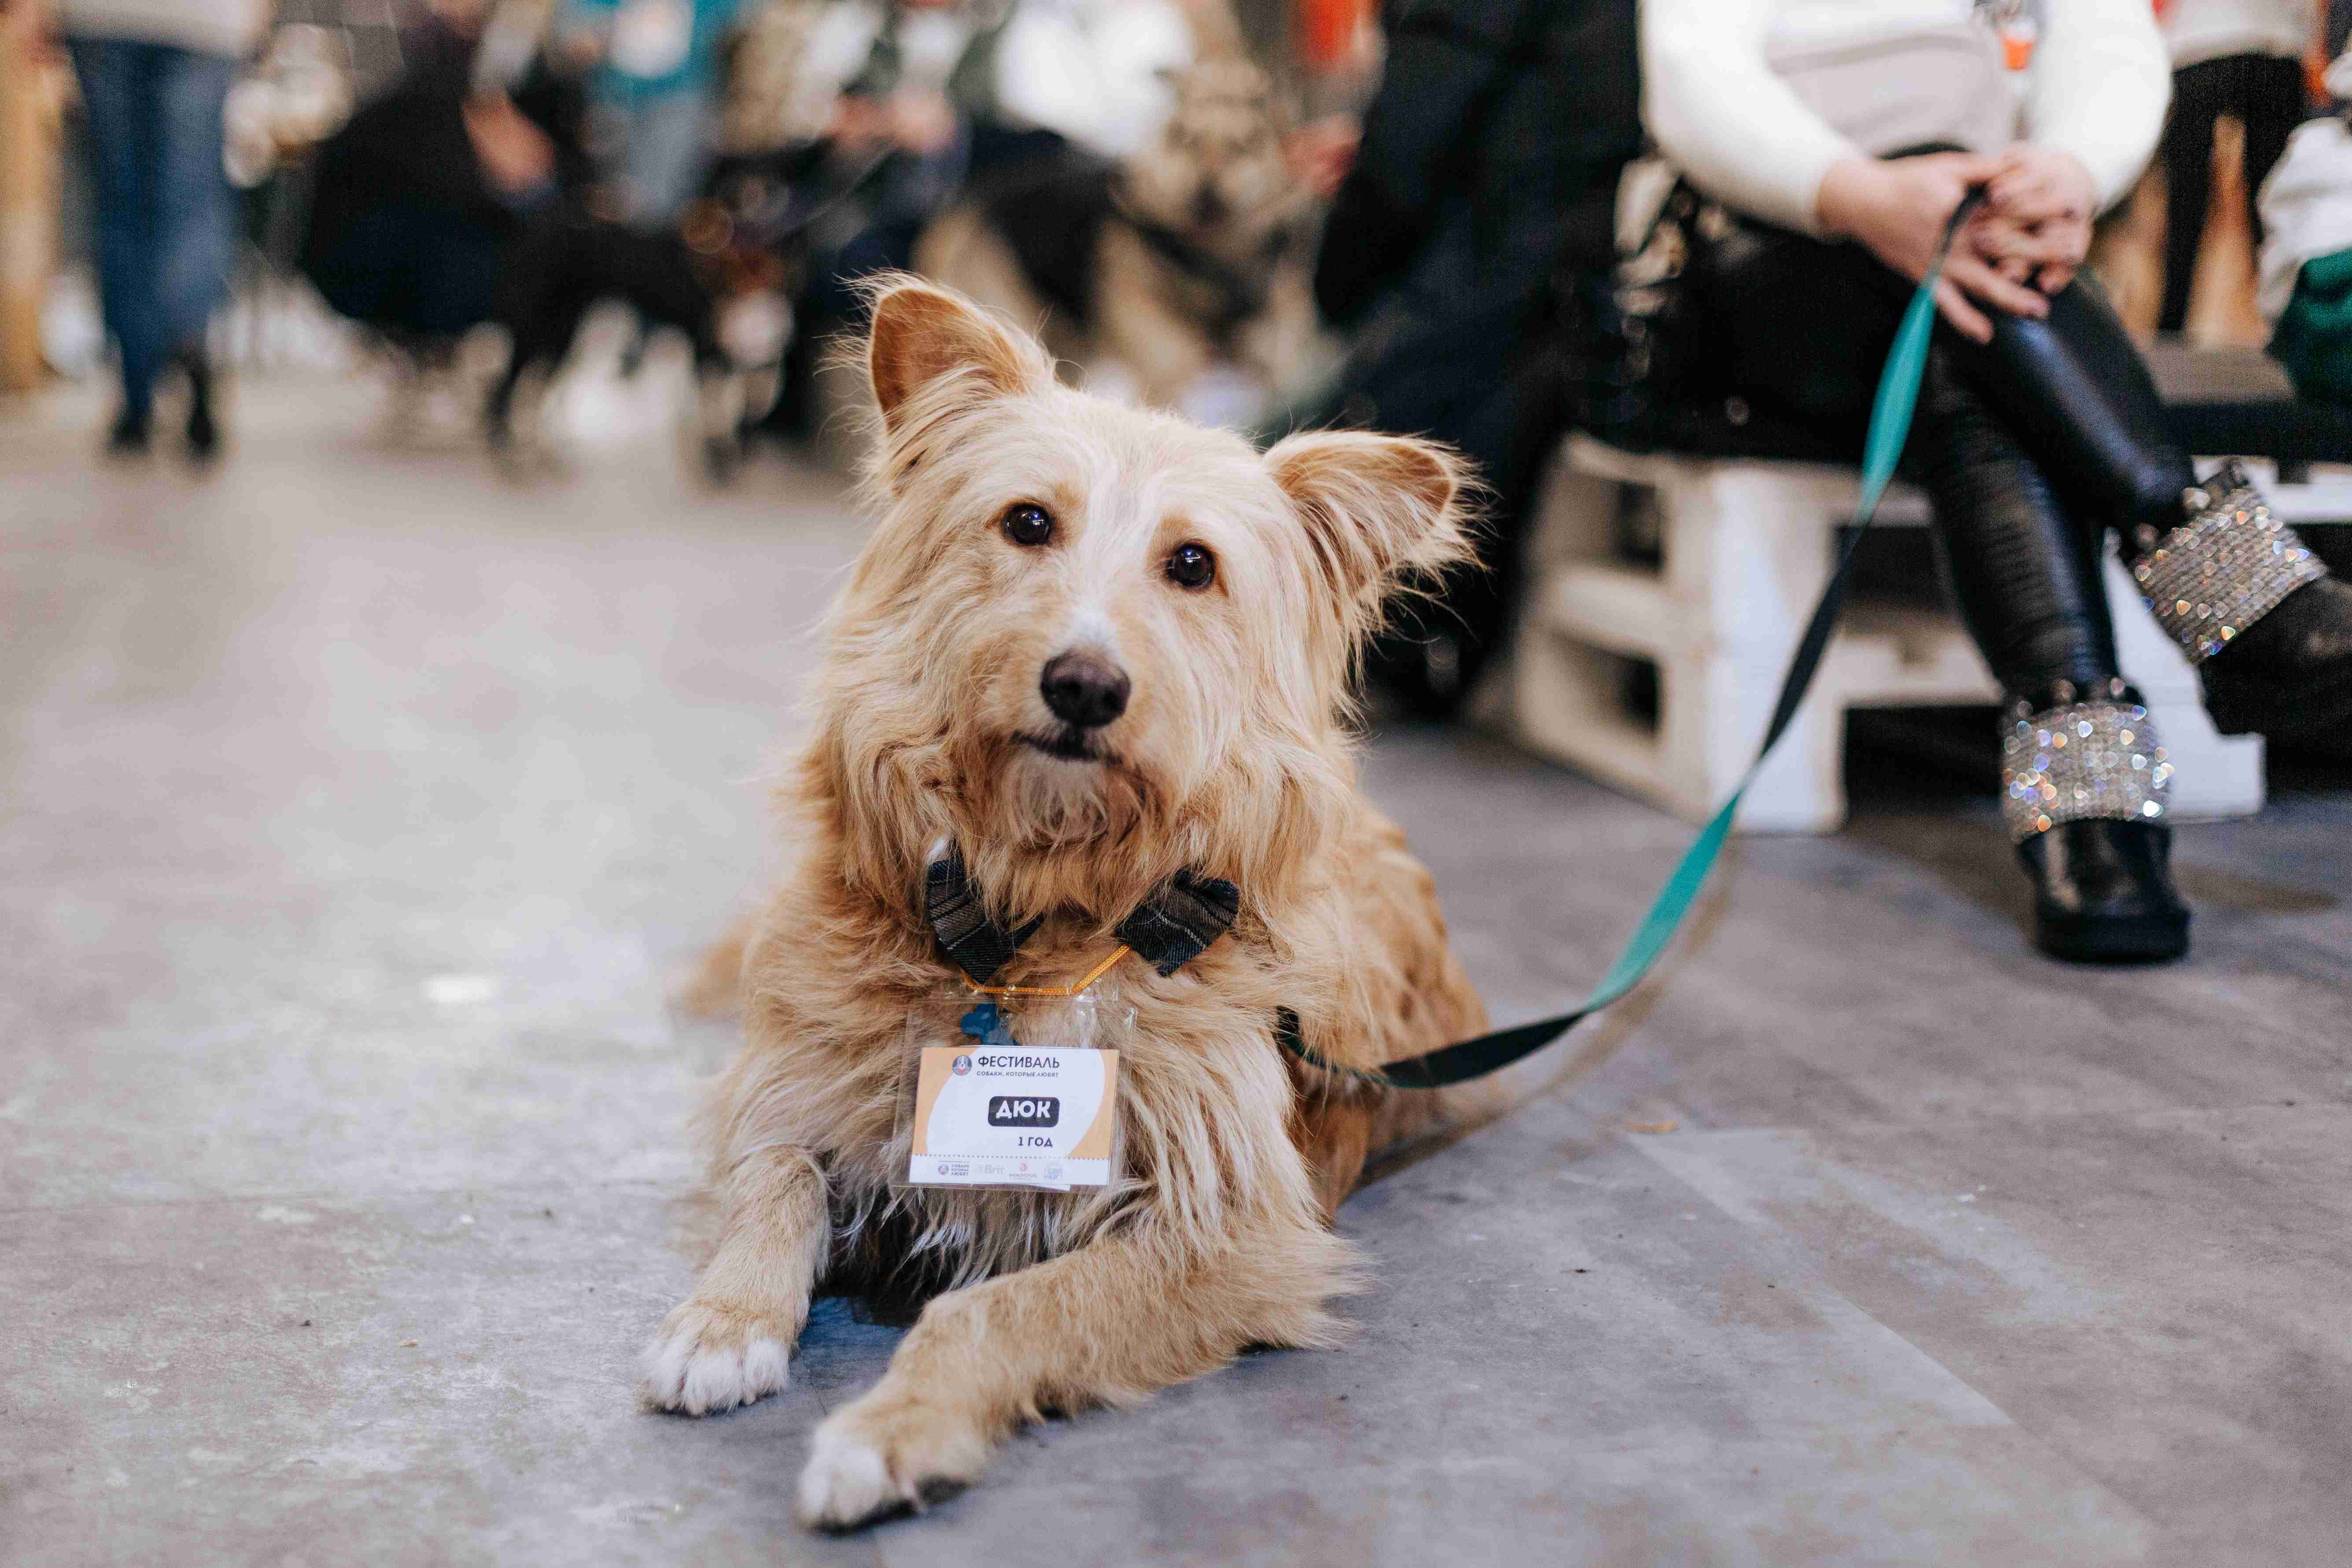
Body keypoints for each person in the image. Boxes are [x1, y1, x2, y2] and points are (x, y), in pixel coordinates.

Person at [1638, 0, 2352, 963]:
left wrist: (2064, 170)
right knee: (1979, 300)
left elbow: (2105, 41)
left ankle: (2090, 766)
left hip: (1969, 245)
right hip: (1762, 260)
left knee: (1964, 345)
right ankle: (2222, 621)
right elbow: (1690, 80)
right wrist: (1854, 193)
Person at [1309, 0, 1642, 718]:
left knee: (1278, 422)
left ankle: (1379, 660)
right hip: (1590, 295)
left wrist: (1331, 288)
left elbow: (1403, 161)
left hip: (1486, 314)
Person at [55, 0, 267, 458]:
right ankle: (187, 337)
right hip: (205, 21)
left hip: (106, 17)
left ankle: (136, 395)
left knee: (121, 208)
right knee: (190, 201)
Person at [2158, 0, 2317, 334]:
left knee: (2187, 204)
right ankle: (2286, 328)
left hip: (2202, 38)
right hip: (2271, 39)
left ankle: (2170, 329)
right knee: (2273, 204)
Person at [560, 0, 742, 226]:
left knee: (656, 199)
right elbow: (577, 31)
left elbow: (730, 16)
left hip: (679, 93)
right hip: (613, 92)